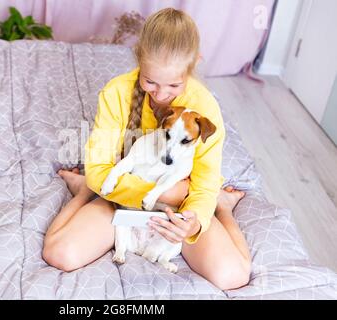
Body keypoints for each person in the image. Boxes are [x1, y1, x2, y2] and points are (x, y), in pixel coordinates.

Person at [43, 8, 251, 290]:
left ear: (193, 65)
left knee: (233, 275)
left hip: (178, 209)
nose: (162, 95)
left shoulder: (204, 109)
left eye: (174, 84)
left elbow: (203, 185)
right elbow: (99, 171)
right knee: (59, 253)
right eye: (150, 82)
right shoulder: (116, 93)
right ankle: (82, 193)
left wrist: (195, 222)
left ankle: (223, 207)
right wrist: (164, 191)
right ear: (139, 58)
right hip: (121, 196)